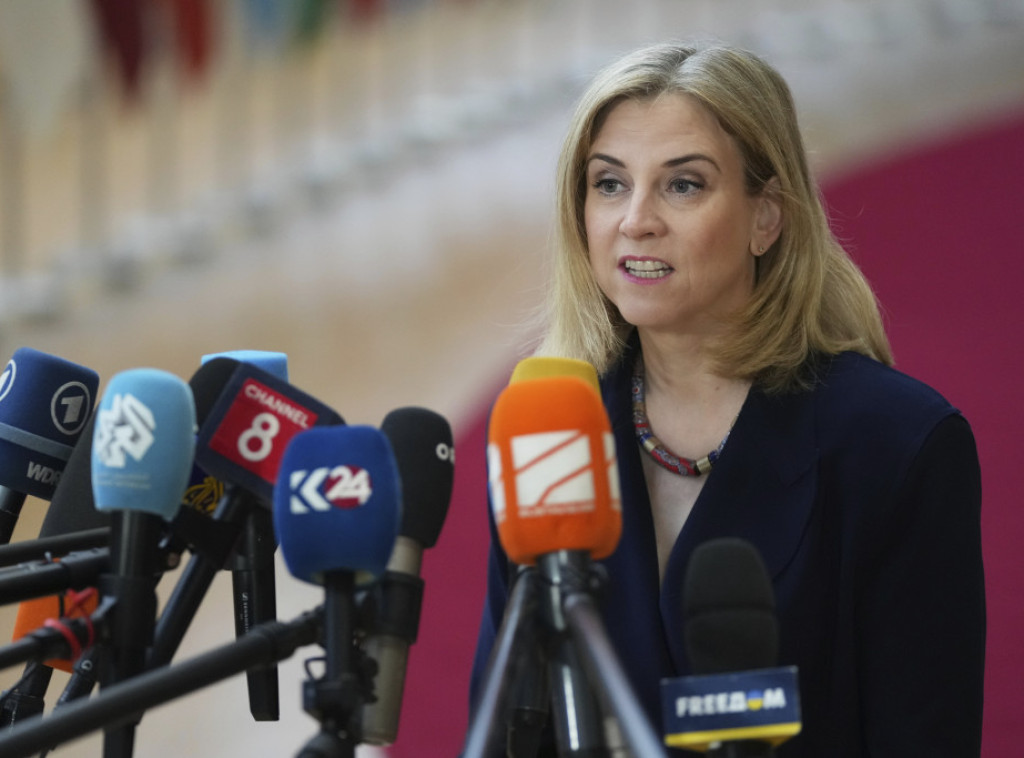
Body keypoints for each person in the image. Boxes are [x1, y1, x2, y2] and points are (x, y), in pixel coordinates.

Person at [469, 41, 985, 757]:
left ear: (766, 218)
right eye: (609, 184)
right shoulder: (550, 434)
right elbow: (504, 731)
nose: (636, 220)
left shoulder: (899, 446)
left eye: (683, 185)